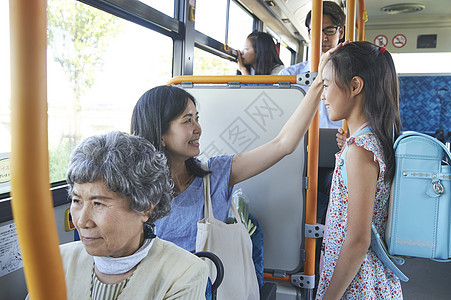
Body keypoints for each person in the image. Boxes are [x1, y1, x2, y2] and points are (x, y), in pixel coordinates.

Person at [130, 43, 343, 254]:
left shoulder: (213, 175)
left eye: (197, 119)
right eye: (187, 121)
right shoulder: (133, 191)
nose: (198, 129)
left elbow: (283, 144)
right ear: (160, 134)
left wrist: (317, 85)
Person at [61, 131, 208, 299]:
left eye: (98, 204)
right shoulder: (59, 260)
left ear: (145, 208)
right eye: (76, 201)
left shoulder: (183, 273)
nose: (81, 221)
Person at [316, 41, 403, 299]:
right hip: (362, 275)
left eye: (327, 85)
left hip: (359, 281)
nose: (323, 95)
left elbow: (358, 240)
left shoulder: (360, 151)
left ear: (355, 86)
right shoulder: (367, 142)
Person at [279, 1, 345, 129]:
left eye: (329, 31)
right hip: (300, 141)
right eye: (315, 31)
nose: (323, 37)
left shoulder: (353, 73)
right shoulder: (289, 75)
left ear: (340, 33)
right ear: (309, 34)